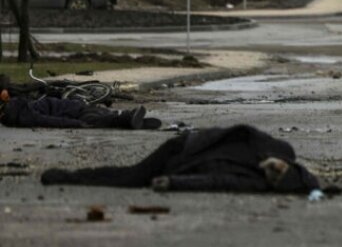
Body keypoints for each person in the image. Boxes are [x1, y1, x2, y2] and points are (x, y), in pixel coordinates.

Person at [40, 125, 322, 194]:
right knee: (131, 178)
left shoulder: (257, 182)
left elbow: (215, 182)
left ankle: (69, 177)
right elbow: (241, 130)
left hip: (183, 162)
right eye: (279, 169)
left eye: (274, 177)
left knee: (132, 178)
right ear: (286, 163)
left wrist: (174, 182)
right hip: (183, 147)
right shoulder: (278, 147)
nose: (271, 171)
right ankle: (67, 177)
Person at [0, 88, 158, 130]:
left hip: (71, 110)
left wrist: (73, 123)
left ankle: (128, 119)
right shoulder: (16, 112)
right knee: (100, 117)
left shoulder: (13, 111)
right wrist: (73, 123)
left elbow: (44, 118)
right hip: (72, 110)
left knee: (98, 118)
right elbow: (46, 120)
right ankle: (129, 119)